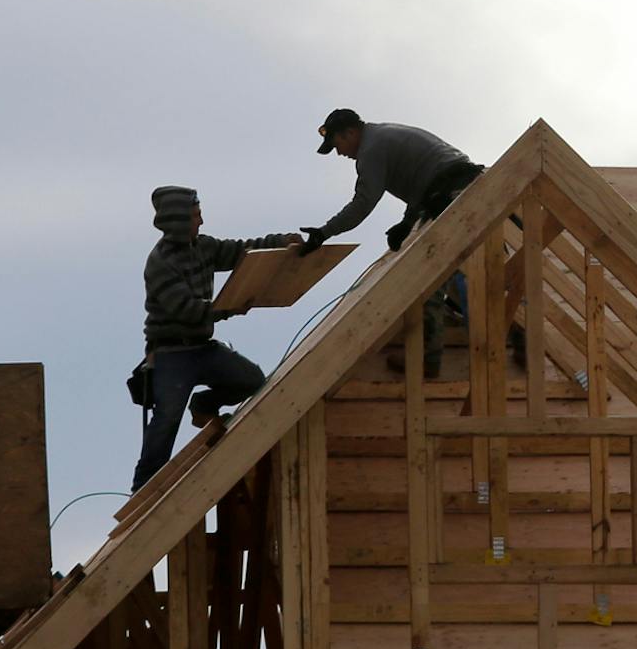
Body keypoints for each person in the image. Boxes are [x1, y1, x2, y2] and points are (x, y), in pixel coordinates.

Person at [297, 108, 487, 377]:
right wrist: (407, 223)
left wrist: (323, 233)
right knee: (473, 271)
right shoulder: (384, 134)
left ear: (350, 133)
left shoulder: (371, 150)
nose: (339, 153)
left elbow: (362, 204)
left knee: (431, 277)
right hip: (464, 189)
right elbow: (425, 179)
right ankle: (514, 339)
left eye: (337, 144)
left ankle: (432, 359)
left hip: (452, 196)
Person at [132, 185, 299, 489]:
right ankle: (143, 491)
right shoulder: (160, 262)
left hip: (202, 348)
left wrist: (281, 242)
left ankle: (204, 405)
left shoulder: (204, 247)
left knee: (251, 380)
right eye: (196, 215)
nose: (202, 221)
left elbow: (242, 252)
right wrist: (228, 309)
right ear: (179, 221)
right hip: (171, 353)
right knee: (166, 421)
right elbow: (186, 310)